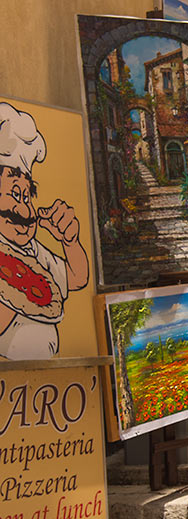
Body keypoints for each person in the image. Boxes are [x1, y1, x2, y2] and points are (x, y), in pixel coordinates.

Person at [0, 101, 90, 359]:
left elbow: (76, 279)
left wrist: (70, 242)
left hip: (50, 385)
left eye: (27, 196)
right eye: (14, 193)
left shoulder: (33, 251)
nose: (24, 209)